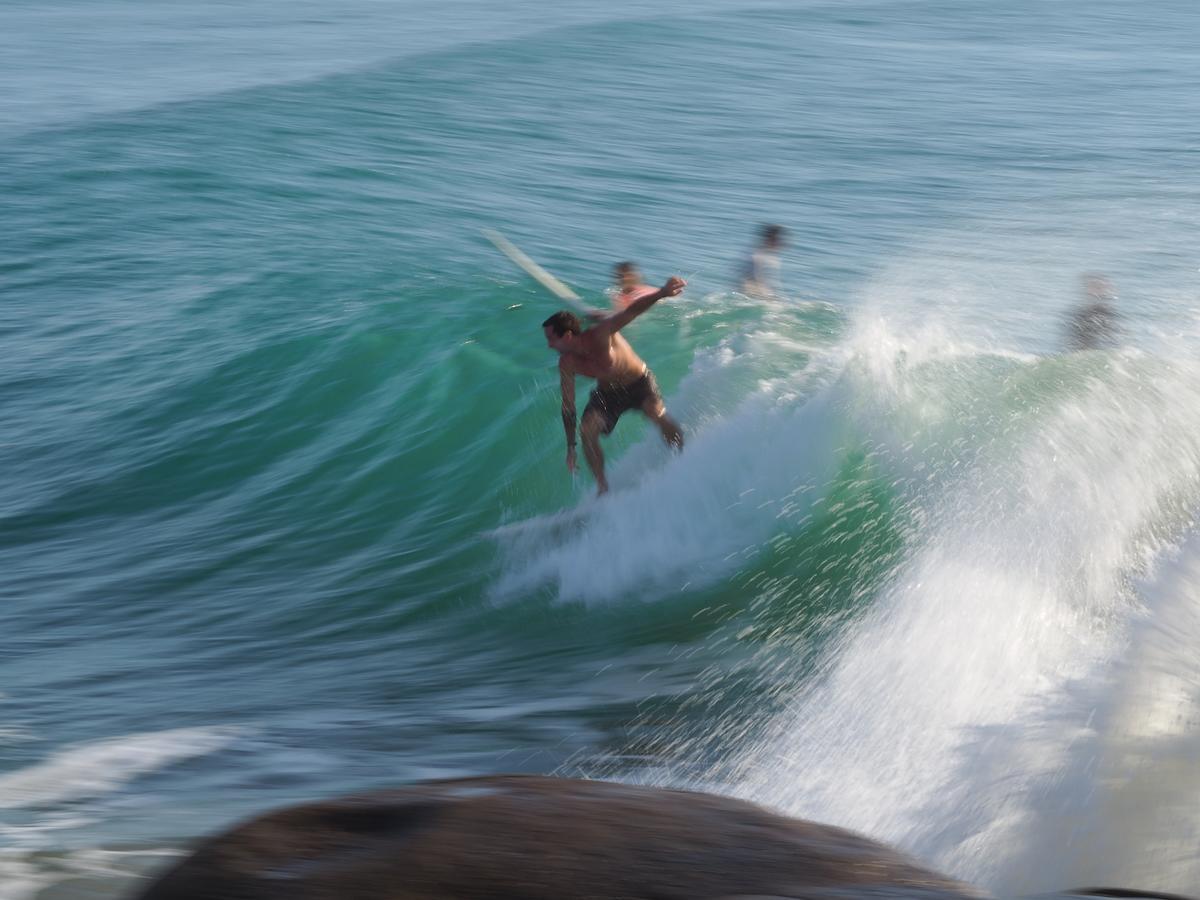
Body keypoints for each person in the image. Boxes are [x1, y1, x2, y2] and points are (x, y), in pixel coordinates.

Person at [543, 277, 687, 495]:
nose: (549, 345)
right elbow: (568, 406)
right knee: (587, 430)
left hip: (639, 383)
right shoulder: (567, 363)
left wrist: (662, 293)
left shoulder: (601, 334)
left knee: (655, 413)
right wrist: (571, 447)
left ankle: (683, 457)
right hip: (608, 394)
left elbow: (631, 312)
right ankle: (603, 488)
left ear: (569, 335)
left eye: (552, 339)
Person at [1065, 274, 1120, 351]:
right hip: (1088, 327)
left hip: (1093, 344)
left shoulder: (1105, 311)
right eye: (1097, 287)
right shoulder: (1083, 314)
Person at [740, 224, 786, 298]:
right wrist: (768, 298)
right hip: (758, 298)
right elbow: (753, 280)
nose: (782, 242)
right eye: (779, 239)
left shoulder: (770, 256)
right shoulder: (757, 256)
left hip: (762, 297)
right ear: (771, 239)